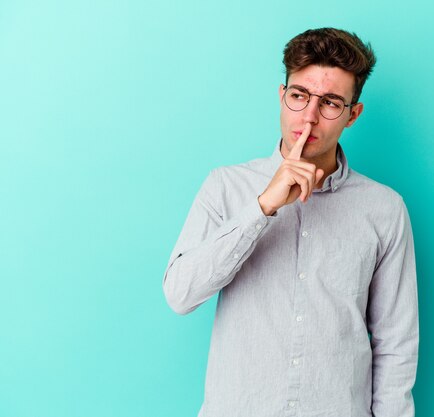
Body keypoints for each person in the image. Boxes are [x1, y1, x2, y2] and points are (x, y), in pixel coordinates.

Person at [163, 27, 419, 417]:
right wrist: (262, 207)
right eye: (300, 96)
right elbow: (180, 294)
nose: (310, 117)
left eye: (331, 102)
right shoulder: (226, 187)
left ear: (353, 115)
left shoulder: (384, 209)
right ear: (282, 97)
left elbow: (396, 344)